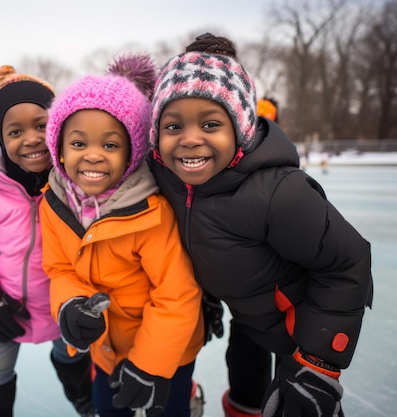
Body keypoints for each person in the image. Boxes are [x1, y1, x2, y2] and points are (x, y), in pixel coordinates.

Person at [147, 33, 373, 417]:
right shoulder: (166, 175)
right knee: (247, 396)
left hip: (301, 330)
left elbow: (347, 261)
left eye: (211, 124)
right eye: (173, 126)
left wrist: (318, 366)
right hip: (246, 314)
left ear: (241, 129)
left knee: (296, 406)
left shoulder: (278, 194)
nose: (189, 140)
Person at [40, 52, 205, 417]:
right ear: (60, 151)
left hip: (167, 354)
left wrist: (150, 364)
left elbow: (176, 294)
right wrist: (69, 304)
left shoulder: (152, 212)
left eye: (110, 145)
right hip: (106, 350)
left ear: (132, 153)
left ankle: (187, 399)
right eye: (79, 144)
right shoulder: (52, 205)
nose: (94, 156)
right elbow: (60, 269)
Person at [0, 65, 94, 417]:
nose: (30, 138)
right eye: (15, 131)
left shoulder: (76, 181)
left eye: (41, 125)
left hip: (65, 303)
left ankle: (87, 402)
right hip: (7, 308)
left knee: (73, 358)